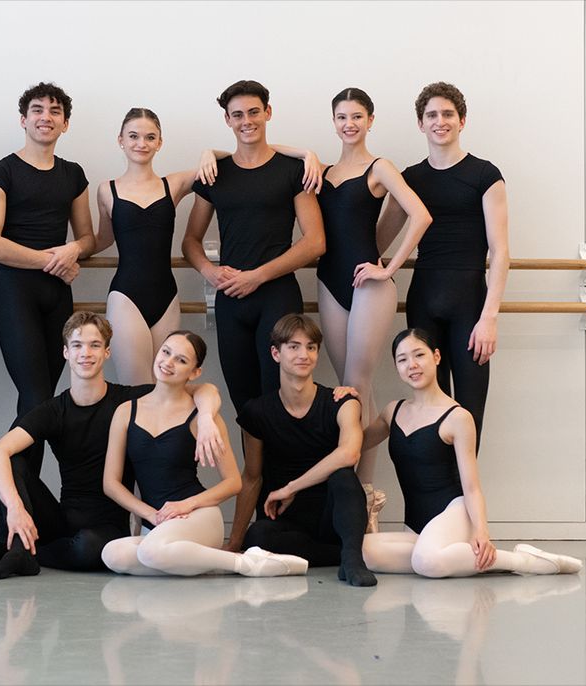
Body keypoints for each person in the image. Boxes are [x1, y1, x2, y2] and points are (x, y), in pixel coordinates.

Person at [0, 312, 225, 580]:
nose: (85, 353)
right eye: (77, 345)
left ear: (107, 352)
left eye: (95, 345)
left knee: (88, 548)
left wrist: (205, 418)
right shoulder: (53, 410)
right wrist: (16, 508)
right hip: (62, 519)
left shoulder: (131, 400)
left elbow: (206, 389)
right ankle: (18, 551)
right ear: (66, 352)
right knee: (12, 462)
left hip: (107, 528)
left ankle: (27, 553)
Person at [276, 88, 432, 504]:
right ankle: (362, 492)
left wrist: (389, 268)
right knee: (352, 389)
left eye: (357, 117)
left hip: (369, 286)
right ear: (334, 122)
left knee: (354, 386)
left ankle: (357, 496)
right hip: (329, 283)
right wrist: (306, 152)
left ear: (370, 121)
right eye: (342, 117)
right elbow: (268, 149)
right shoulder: (322, 172)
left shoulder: (379, 168)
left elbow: (420, 215)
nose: (350, 124)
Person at [93, 108, 319, 386]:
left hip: (166, 296)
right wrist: (70, 251)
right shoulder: (106, 190)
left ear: (160, 142)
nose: (141, 143)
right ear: (121, 140)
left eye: (150, 137)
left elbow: (237, 155)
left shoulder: (174, 184)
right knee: (136, 387)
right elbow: (102, 239)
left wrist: (304, 154)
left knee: (168, 386)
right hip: (125, 295)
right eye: (133, 136)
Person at [360, 329, 582, 578]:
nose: (412, 365)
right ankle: (443, 554)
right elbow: (356, 444)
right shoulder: (393, 411)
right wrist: (345, 400)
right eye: (402, 359)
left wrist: (481, 531)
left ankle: (521, 560)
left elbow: (472, 486)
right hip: (416, 524)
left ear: (436, 357)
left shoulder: (458, 417)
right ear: (396, 367)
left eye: (419, 355)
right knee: (363, 551)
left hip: (454, 513)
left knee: (426, 561)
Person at [101, 331, 308, 577]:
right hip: (157, 523)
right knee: (112, 554)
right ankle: (198, 561)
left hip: (198, 517)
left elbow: (233, 482)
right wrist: (151, 515)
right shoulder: (126, 411)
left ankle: (245, 563)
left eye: (181, 360)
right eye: (166, 352)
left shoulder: (202, 417)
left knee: (150, 553)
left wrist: (186, 505)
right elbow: (111, 483)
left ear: (194, 372)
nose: (168, 362)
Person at [182, 79, 326, 413]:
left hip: (277, 296)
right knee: (244, 404)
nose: (246, 121)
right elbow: (190, 241)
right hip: (230, 299)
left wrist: (257, 276)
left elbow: (315, 242)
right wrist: (210, 272)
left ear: (267, 112)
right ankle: (251, 453)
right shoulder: (214, 173)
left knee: (282, 398)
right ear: (227, 120)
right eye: (237, 115)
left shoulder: (294, 170)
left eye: (253, 112)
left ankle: (284, 453)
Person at [377, 82, 508, 446]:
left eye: (448, 114)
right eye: (431, 115)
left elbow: (500, 251)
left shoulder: (485, 175)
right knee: (431, 407)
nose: (440, 121)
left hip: (470, 304)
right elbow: (379, 239)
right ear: (420, 123)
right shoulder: (411, 179)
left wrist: (489, 317)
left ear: (462, 120)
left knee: (469, 410)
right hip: (424, 298)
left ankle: (465, 484)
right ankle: (437, 483)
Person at [0, 82, 94, 476]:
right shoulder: (1, 171)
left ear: (65, 123)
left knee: (40, 401)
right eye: (38, 110)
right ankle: (15, 496)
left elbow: (87, 238)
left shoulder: (73, 174)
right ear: (23, 119)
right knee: (37, 396)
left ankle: (21, 497)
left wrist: (72, 250)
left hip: (58, 294)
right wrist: (52, 259)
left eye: (55, 111)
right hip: (15, 292)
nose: (46, 117)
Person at [226, 314, 376, 586]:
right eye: (293, 346)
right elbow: (252, 477)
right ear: (276, 353)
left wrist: (291, 488)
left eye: (311, 347)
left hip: (334, 515)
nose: (303, 355)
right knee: (256, 538)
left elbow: (349, 454)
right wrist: (234, 544)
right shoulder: (257, 411)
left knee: (343, 476)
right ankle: (341, 554)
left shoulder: (342, 403)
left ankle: (352, 559)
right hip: (287, 520)